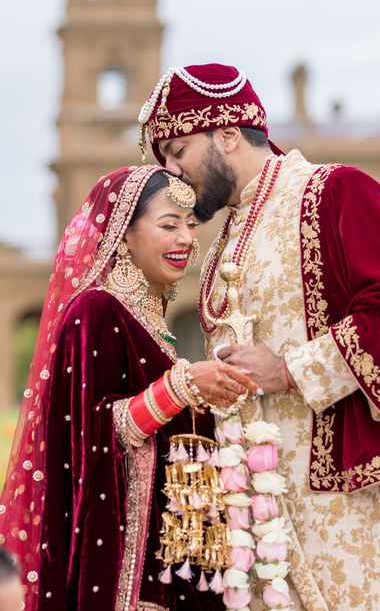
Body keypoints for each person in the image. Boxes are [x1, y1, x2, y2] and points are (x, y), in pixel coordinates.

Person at [139, 63, 380, 611]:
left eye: (179, 151)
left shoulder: (335, 191)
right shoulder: (226, 235)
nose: (174, 173)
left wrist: (292, 368)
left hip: (358, 511)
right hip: (262, 518)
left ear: (227, 132)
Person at [0, 165, 257, 611]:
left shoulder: (153, 325)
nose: (185, 239)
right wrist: (181, 386)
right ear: (123, 233)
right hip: (129, 578)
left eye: (192, 225)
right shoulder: (96, 310)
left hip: (177, 562)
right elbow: (89, 431)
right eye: (168, 224)